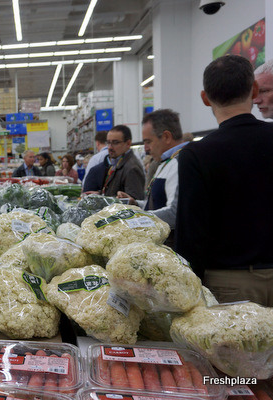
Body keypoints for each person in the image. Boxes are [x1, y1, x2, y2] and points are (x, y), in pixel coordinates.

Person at [176, 55, 273, 306]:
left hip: (229, 284)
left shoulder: (196, 154)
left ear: (205, 98)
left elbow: (191, 233)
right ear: (253, 90)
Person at [117, 109, 187, 230]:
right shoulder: (165, 162)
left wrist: (135, 218)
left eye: (148, 142)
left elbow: (174, 213)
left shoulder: (180, 163)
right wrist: (136, 204)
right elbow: (158, 204)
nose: (146, 149)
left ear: (166, 137)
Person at [85, 125, 145, 200]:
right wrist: (100, 196)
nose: (110, 147)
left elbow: (133, 201)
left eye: (115, 143)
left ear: (128, 143)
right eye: (108, 142)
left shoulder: (131, 168)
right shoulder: (117, 162)